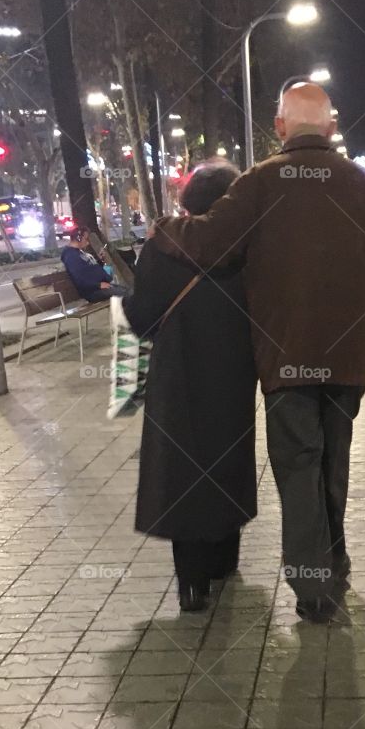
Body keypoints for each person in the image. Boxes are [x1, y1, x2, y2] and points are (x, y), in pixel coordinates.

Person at [152, 81, 365, 623]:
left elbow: (207, 241)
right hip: (350, 361)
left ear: (279, 128)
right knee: (332, 465)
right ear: (331, 128)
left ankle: (315, 586)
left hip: (286, 357)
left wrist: (162, 230)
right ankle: (333, 563)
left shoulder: (260, 183)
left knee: (299, 467)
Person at [125, 162, 257, 614]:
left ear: (186, 201)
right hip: (234, 377)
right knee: (227, 462)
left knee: (182, 470)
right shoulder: (244, 246)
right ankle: (224, 561)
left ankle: (191, 584)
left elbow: (140, 319)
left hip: (176, 378)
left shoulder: (160, 248)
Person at [60, 227, 131, 301]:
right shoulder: (71, 256)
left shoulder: (78, 252)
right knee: (125, 294)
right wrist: (98, 285)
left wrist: (99, 260)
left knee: (127, 291)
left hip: (99, 287)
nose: (88, 242)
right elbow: (79, 278)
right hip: (92, 291)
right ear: (79, 238)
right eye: (86, 239)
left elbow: (89, 268)